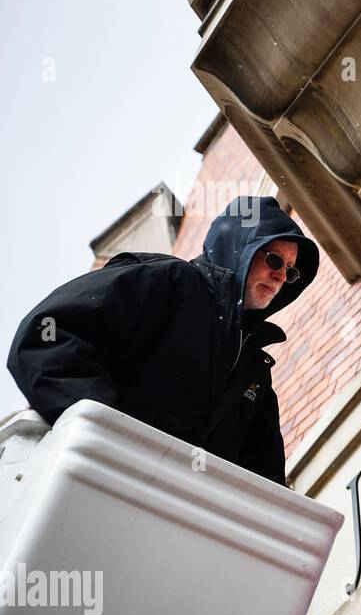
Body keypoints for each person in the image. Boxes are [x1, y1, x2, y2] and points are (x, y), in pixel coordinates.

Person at [6, 196, 319, 486]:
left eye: (290, 272)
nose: (280, 277)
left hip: (173, 522)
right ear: (239, 247)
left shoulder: (255, 371)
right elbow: (50, 332)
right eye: (275, 261)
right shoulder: (169, 284)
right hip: (86, 485)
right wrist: (107, 432)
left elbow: (264, 479)